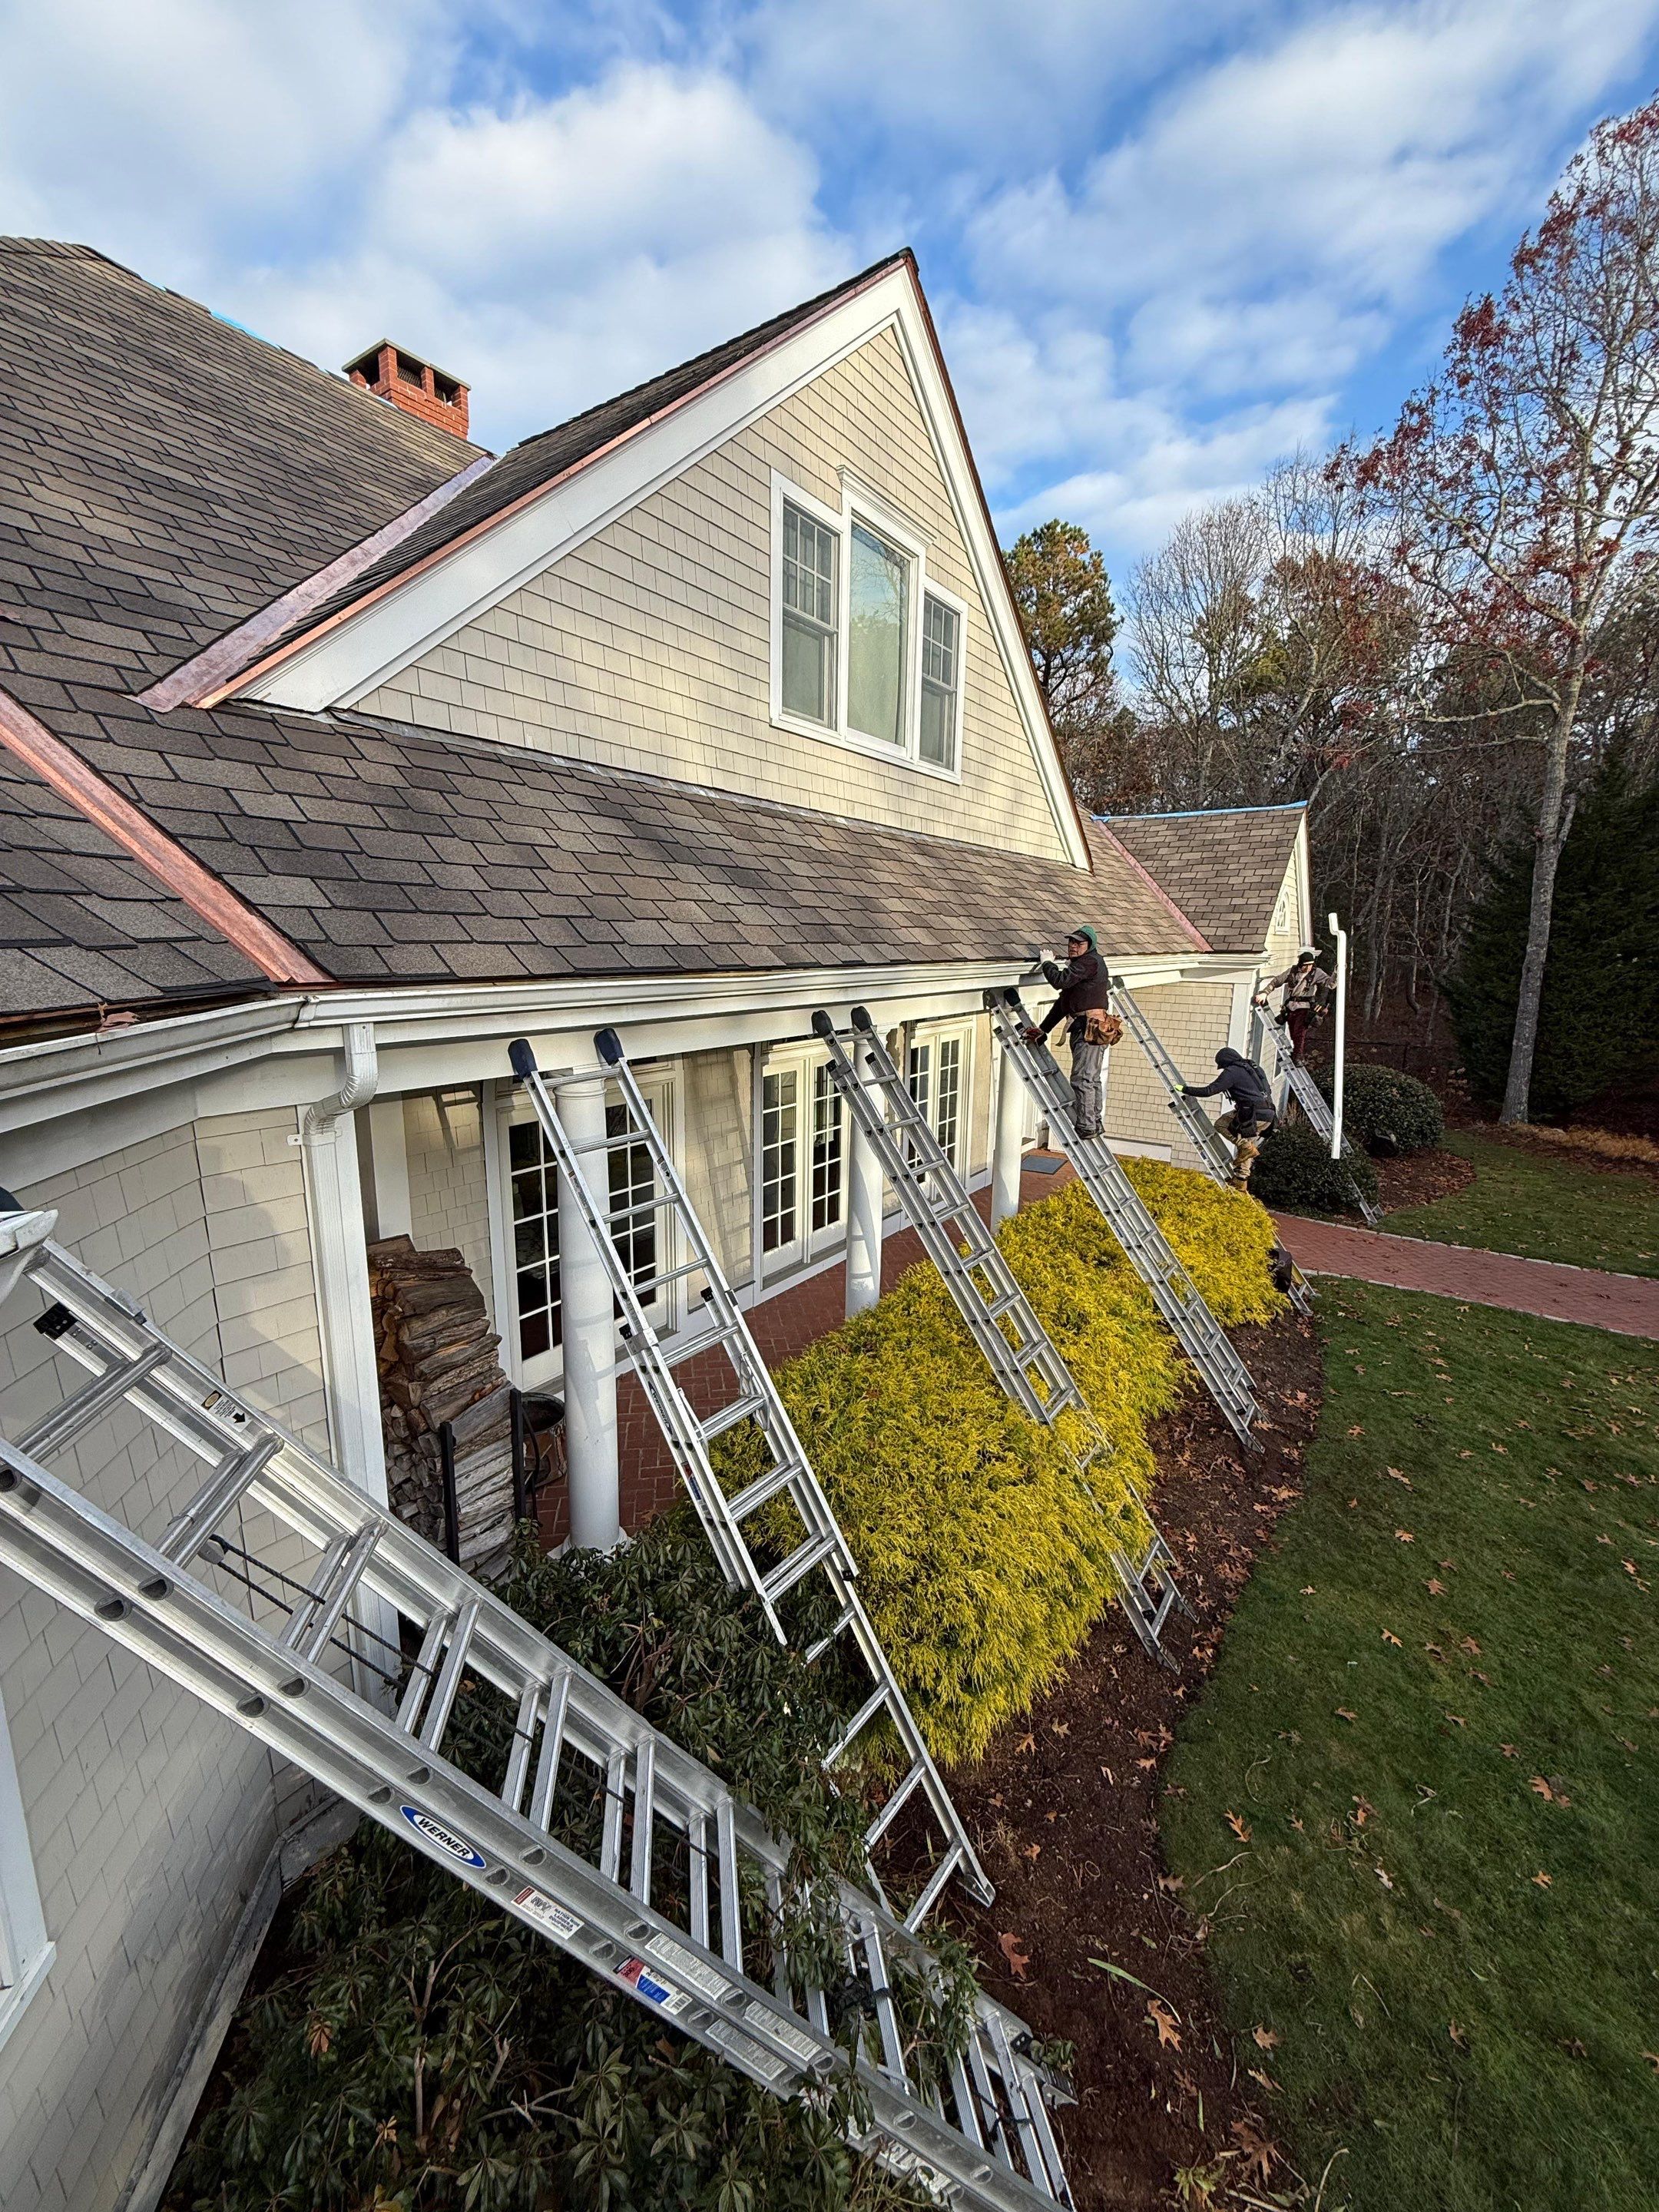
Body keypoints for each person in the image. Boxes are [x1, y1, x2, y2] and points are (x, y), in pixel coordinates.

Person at [1022, 925, 1121, 1139]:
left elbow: (1060, 981)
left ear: (1090, 946)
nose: (1073, 946)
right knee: (1090, 1079)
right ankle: (1094, 1122)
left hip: (1090, 1027)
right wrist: (1044, 1029)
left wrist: (1047, 963)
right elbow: (1063, 1003)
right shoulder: (1082, 966)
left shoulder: (1090, 962)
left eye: (1079, 943)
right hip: (1087, 1026)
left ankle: (1087, 1125)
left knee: (1083, 1079)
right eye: (1071, 942)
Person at [1181, 1048, 1277, 1189]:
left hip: (1252, 1114)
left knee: (1221, 1124)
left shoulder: (1232, 1072)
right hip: (1269, 1115)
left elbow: (1209, 1091)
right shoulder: (1254, 1067)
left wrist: (1184, 1089)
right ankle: (1241, 1181)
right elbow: (1267, 1090)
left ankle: (1245, 1146)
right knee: (1247, 1144)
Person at [1255, 949, 1331, 1065]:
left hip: (1305, 1006)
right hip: (1291, 1006)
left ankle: (1299, 1056)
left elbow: (1330, 983)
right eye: (1306, 965)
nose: (1308, 968)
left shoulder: (1317, 973)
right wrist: (1265, 993)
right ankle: (1296, 1054)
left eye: (1311, 965)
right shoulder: (1292, 972)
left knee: (1300, 1031)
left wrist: (1337, 973)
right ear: (1301, 964)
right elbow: (1276, 982)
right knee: (1293, 1031)